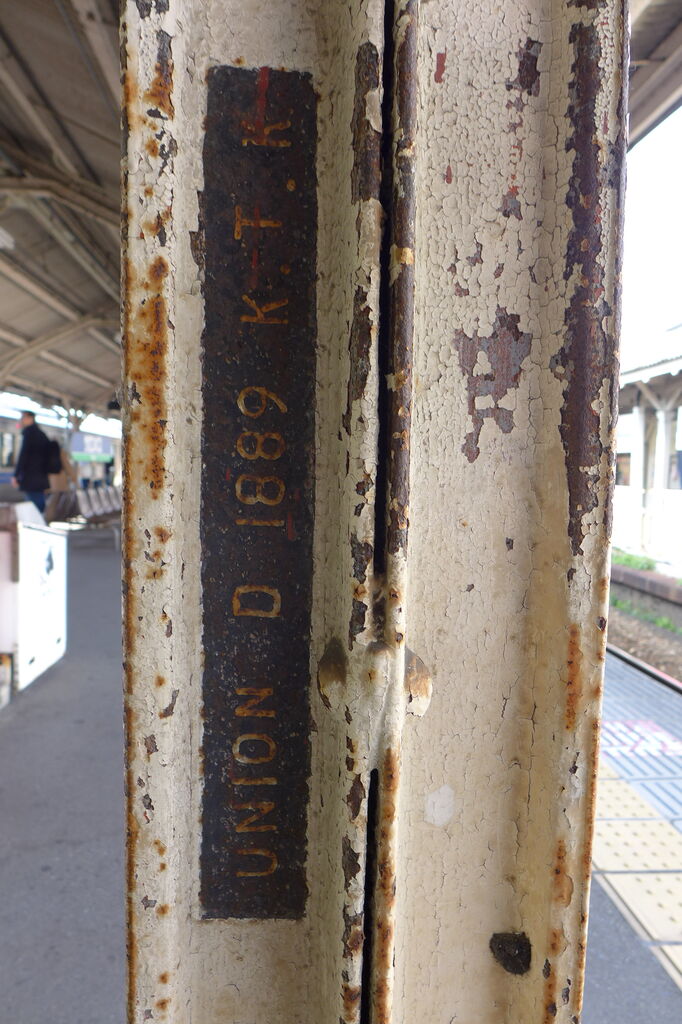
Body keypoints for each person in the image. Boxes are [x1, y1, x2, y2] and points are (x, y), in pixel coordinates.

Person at [11, 410, 49, 513]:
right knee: (39, 503)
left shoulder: (29, 433)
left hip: (31, 477)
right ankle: (41, 519)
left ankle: (37, 521)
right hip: (41, 477)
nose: (21, 420)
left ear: (30, 418)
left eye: (23, 418)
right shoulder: (42, 434)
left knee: (32, 506)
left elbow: (23, 455)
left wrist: (16, 475)